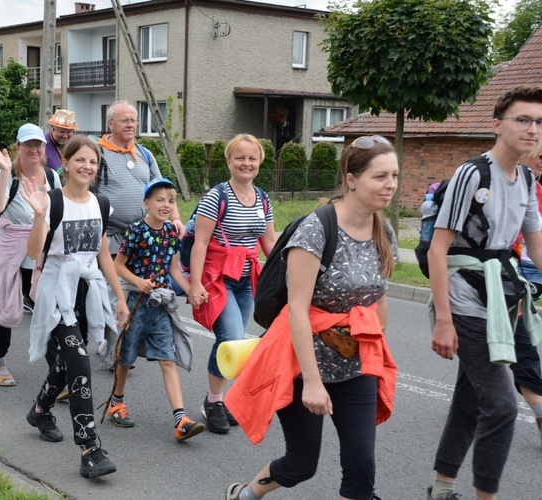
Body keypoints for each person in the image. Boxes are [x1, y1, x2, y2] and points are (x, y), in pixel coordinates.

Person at [223, 135, 399, 500]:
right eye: (380, 176)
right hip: (302, 366)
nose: (391, 185)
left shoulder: (384, 230)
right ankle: (244, 495)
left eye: (394, 176)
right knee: (303, 464)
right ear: (351, 179)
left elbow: (378, 300)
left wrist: (374, 348)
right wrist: (314, 383)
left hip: (354, 365)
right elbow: (298, 312)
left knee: (362, 462)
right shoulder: (317, 228)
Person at [426, 86, 542, 500]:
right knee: (500, 406)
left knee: (470, 400)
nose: (533, 129)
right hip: (466, 298)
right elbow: (438, 248)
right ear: (497, 125)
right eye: (523, 119)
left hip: (503, 297)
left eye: (541, 122)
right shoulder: (473, 173)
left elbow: (537, 248)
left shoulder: (529, 178)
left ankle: (442, 489)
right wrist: (443, 321)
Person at [20, 136, 128, 479]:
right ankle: (90, 449)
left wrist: (119, 297)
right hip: (57, 294)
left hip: (88, 292)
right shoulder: (51, 202)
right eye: (80, 160)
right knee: (80, 362)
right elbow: (35, 252)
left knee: (69, 364)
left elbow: (102, 254)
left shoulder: (101, 203)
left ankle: (40, 410)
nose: (87, 167)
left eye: (93, 162)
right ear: (65, 163)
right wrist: (39, 217)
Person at [187, 133, 277, 434]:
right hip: (217, 277)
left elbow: (269, 241)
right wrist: (195, 284)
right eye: (240, 157)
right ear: (228, 161)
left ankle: (219, 400)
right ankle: (213, 401)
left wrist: (287, 277)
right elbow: (200, 242)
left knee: (235, 340)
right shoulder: (217, 196)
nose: (246, 163)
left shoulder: (262, 198)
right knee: (232, 338)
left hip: (247, 278)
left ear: (260, 162)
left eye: (252, 158)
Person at [110, 177, 205, 442]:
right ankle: (117, 401)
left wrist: (191, 290)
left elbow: (174, 268)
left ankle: (180, 419)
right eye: (160, 200)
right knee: (126, 358)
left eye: (171, 201)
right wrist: (138, 282)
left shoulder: (171, 233)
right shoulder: (136, 230)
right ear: (147, 203)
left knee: (168, 359)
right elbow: (118, 265)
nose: (166, 205)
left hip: (160, 305)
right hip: (136, 304)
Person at [0, 123, 61, 386]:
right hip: (12, 246)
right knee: (5, 302)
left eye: (38, 144)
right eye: (27, 145)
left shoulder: (52, 176)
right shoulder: (8, 174)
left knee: (49, 306)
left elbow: (58, 211)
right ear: (18, 147)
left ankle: (57, 370)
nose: (33, 149)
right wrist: (4, 171)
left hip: (41, 247)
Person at [509, 131, 542, 452]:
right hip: (508, 283)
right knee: (522, 347)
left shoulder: (537, 189)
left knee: (491, 353)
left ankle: (472, 404)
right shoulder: (509, 189)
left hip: (531, 282)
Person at [94, 101, 184, 256]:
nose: (130, 125)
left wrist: (175, 218)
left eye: (133, 120)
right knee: (114, 280)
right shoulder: (97, 153)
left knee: (141, 279)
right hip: (109, 238)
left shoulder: (145, 154)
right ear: (110, 124)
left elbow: (164, 192)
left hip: (141, 235)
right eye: (124, 121)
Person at [44, 109, 78, 173]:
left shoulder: (75, 144)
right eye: (61, 132)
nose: (65, 136)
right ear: (52, 127)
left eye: (69, 132)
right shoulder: (41, 144)